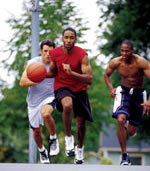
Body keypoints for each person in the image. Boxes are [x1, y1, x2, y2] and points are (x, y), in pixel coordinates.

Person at [47, 27, 93, 164]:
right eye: (66, 37)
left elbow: (89, 78)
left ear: (75, 39)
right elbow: (52, 72)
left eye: (71, 38)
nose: (68, 40)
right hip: (63, 86)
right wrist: (35, 75)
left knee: (80, 124)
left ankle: (79, 149)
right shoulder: (54, 53)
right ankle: (68, 138)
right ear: (62, 39)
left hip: (80, 89)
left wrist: (72, 73)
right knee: (67, 105)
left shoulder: (82, 55)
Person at [104, 40, 150, 165]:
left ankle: (126, 126)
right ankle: (124, 155)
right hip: (124, 93)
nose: (124, 53)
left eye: (127, 51)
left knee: (131, 131)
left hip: (139, 95)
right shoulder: (116, 62)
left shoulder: (140, 62)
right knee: (120, 119)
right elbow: (106, 75)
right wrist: (111, 88)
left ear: (132, 51)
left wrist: (149, 101)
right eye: (122, 51)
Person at [19, 40, 59, 164]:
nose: (48, 54)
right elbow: (22, 83)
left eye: (50, 51)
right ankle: (42, 151)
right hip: (34, 101)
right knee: (36, 131)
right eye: (45, 51)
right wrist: (38, 79)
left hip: (50, 96)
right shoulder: (33, 64)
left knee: (46, 114)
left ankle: (53, 139)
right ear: (41, 51)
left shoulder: (57, 65)